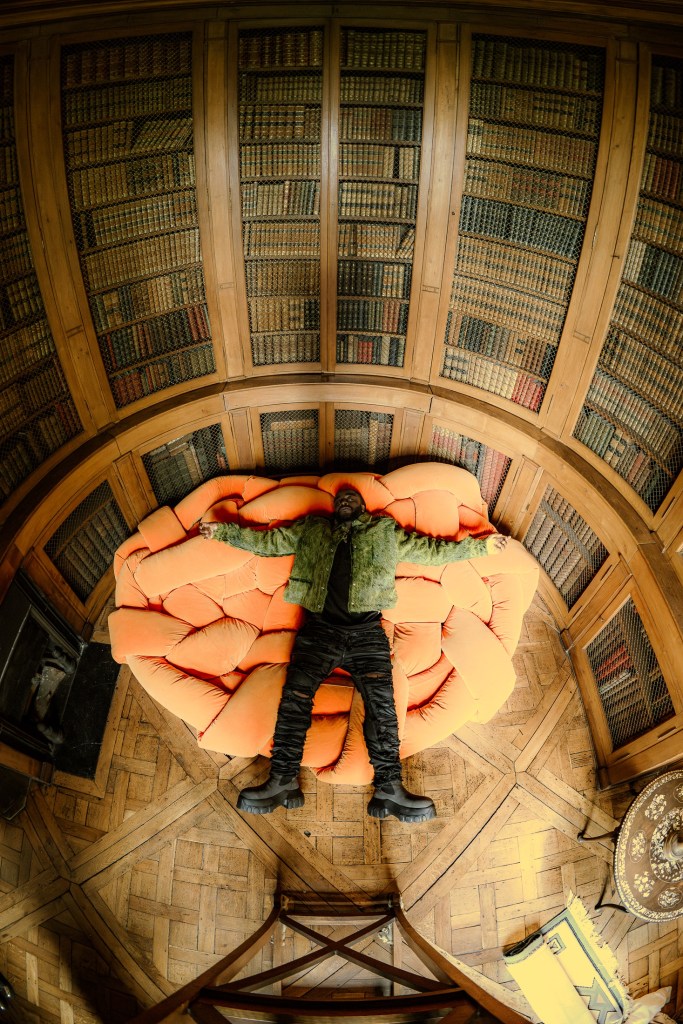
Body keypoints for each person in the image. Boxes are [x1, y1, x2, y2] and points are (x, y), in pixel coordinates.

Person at [200, 487, 508, 823]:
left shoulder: (384, 531)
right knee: (294, 700)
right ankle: (282, 780)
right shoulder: (312, 528)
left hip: (367, 636)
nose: (344, 499)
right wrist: (224, 532)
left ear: (364, 506)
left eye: (352, 497)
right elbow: (268, 542)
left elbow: (432, 551)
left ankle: (389, 787)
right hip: (318, 633)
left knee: (383, 707)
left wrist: (483, 546)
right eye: (340, 498)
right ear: (333, 508)